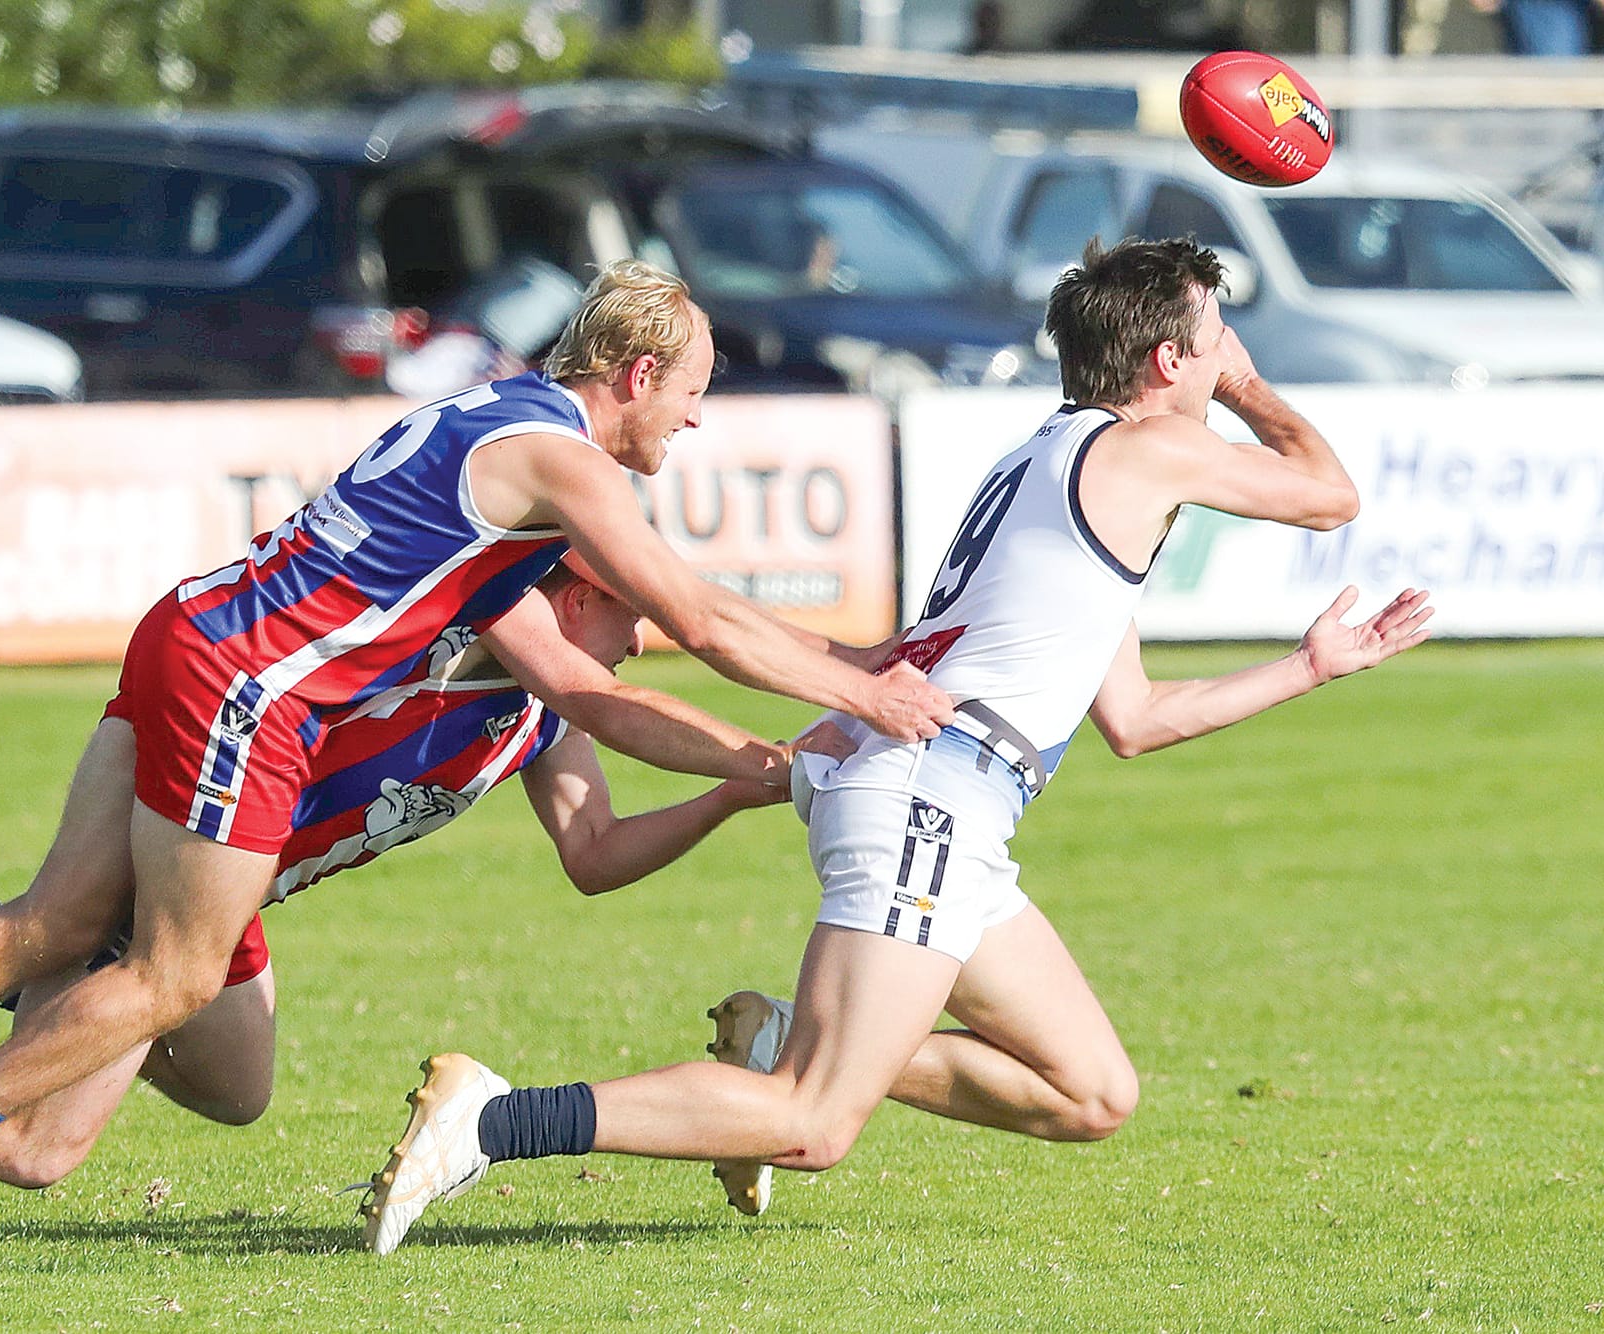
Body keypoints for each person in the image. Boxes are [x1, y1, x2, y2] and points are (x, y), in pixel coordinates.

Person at [0, 259, 951, 1254]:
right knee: (165, 973)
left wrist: (788, 742)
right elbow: (695, 622)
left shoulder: (492, 429)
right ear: (638, 373)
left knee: (146, 1012)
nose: (696, 427)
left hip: (197, 630)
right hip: (247, 686)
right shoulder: (560, 472)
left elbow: (604, 743)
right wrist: (860, 696)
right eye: (696, 396)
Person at [354, 236, 1435, 1255]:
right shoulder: (1148, 446)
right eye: (1211, 340)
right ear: (1168, 360)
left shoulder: (1056, 463)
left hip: (944, 790)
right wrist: (1243, 385)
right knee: (813, 1122)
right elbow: (1328, 492)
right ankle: (494, 1120)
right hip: (929, 789)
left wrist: (1305, 668)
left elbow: (1134, 718)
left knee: (1089, 1090)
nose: (1221, 363)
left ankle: (783, 1039)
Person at [0, 560, 789, 1201]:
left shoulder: (538, 718)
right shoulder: (460, 627)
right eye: (631, 615)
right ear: (575, 589)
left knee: (235, 1089)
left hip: (231, 907)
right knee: (33, 1151)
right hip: (176, 877)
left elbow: (594, 857)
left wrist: (731, 793)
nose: (641, 641)